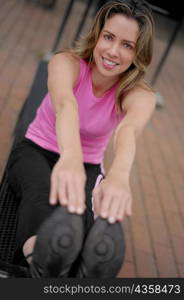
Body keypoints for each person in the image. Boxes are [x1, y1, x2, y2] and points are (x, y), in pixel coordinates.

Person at [7, 0, 156, 278]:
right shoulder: (66, 63)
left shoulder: (139, 95)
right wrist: (70, 156)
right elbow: (66, 105)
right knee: (41, 193)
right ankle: (40, 260)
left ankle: (81, 268)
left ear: (138, 53)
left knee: (81, 209)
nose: (113, 51)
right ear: (97, 35)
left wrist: (119, 176)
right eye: (109, 37)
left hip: (88, 164)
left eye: (127, 45)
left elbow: (128, 131)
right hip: (35, 149)